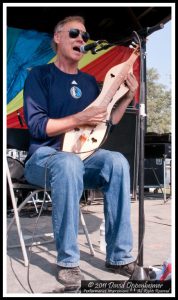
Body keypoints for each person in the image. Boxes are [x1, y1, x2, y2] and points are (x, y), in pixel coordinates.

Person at [23, 15, 139, 286]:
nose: (81, 39)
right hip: (44, 157)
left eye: (85, 36)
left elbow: (106, 123)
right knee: (67, 163)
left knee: (117, 161)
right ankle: (68, 261)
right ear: (58, 37)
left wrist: (127, 97)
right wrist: (80, 118)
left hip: (82, 158)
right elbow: (38, 127)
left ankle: (119, 256)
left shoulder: (88, 82)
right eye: (75, 33)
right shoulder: (39, 76)